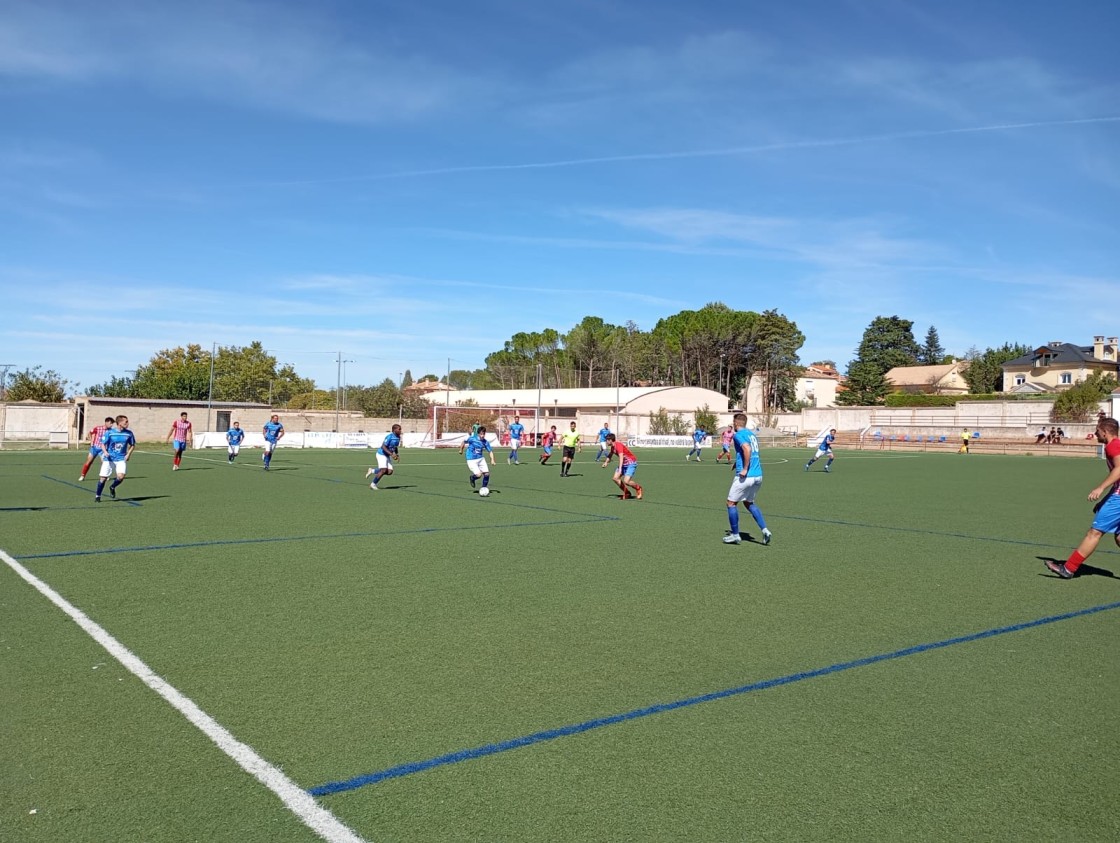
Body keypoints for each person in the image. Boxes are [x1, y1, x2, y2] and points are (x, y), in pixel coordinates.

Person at [1045, 417, 1120, 579]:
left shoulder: (1113, 446)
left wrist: (1100, 488)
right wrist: (1104, 500)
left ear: (1105, 432)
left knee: (1094, 533)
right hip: (1116, 496)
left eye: (1097, 431)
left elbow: (1119, 470)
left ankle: (1069, 568)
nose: (1095, 433)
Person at [723, 413, 771, 545]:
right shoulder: (751, 434)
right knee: (749, 503)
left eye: (733, 422)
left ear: (736, 423)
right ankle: (765, 530)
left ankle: (735, 534)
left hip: (746, 476)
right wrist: (737, 463)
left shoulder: (738, 435)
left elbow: (747, 448)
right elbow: (751, 451)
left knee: (731, 503)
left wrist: (744, 468)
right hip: (758, 475)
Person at [94, 415, 135, 502]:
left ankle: (112, 486)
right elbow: (102, 444)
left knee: (121, 477)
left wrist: (128, 455)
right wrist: (105, 452)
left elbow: (132, 445)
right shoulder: (110, 432)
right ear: (119, 423)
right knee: (103, 478)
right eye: (126, 422)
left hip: (121, 458)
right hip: (109, 459)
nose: (127, 423)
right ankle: (98, 496)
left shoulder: (129, 433)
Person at [601, 433, 642, 500]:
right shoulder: (613, 447)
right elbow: (610, 455)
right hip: (624, 464)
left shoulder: (618, 445)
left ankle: (638, 488)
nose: (606, 441)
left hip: (631, 463)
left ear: (611, 440)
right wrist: (606, 462)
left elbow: (621, 457)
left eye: (608, 440)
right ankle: (627, 493)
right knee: (615, 478)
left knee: (626, 481)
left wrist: (620, 468)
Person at [459, 424, 495, 492]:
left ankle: (484, 488)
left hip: (480, 458)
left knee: (487, 474)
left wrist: (492, 460)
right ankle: (472, 478)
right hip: (471, 459)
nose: (482, 436)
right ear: (478, 434)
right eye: (481, 434)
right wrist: (461, 449)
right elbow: (464, 442)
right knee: (478, 475)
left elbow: (490, 451)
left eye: (483, 434)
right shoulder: (472, 439)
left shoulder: (485, 442)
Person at [366, 424, 402, 489]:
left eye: (400, 429)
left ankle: (372, 470)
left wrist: (397, 454)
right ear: (394, 430)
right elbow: (383, 446)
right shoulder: (389, 437)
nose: (400, 430)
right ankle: (373, 484)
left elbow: (395, 447)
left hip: (387, 455)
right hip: (381, 454)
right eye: (399, 429)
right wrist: (391, 454)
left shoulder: (398, 437)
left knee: (390, 472)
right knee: (383, 470)